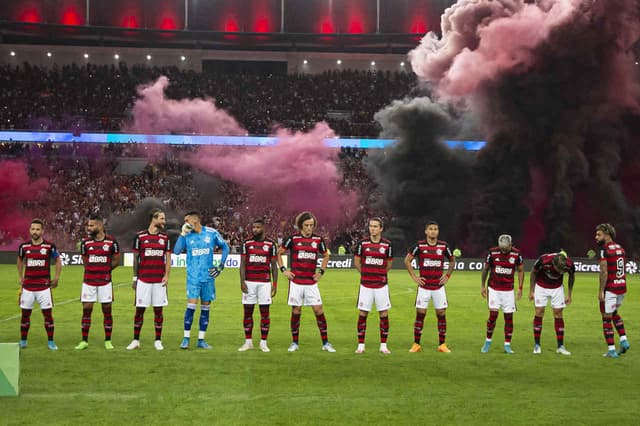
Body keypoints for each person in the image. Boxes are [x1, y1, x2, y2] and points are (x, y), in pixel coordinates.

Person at [277, 211, 336, 353]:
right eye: (306, 225)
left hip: (311, 282)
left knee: (318, 309)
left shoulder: (318, 240)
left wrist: (321, 271)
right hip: (296, 281)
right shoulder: (293, 239)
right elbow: (279, 253)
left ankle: (326, 343)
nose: (309, 228)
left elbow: (326, 255)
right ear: (300, 226)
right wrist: (284, 270)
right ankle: (294, 342)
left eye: (311, 225)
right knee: (296, 310)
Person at [173, 210, 229, 349]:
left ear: (195, 220)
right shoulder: (187, 235)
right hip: (193, 277)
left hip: (208, 277)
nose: (185, 223)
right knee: (191, 307)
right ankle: (186, 338)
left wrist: (221, 266)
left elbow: (225, 247)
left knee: (205, 308)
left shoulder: (211, 233)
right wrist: (182, 234)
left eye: (187, 220)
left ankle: (201, 340)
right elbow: (176, 251)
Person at [404, 221, 455, 353]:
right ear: (426, 231)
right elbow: (407, 260)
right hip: (424, 287)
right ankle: (416, 344)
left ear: (438, 231)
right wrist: (415, 277)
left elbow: (452, 260)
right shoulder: (419, 246)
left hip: (438, 287)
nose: (433, 231)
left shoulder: (444, 246)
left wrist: (447, 276)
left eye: (436, 229)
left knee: (441, 314)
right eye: (431, 229)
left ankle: (442, 344)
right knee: (420, 314)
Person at [126, 208, 171, 351]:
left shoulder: (165, 238)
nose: (164, 221)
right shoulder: (139, 237)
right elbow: (135, 259)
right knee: (140, 310)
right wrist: (135, 278)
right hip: (143, 280)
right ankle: (135, 340)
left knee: (159, 310)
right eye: (162, 218)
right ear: (154, 219)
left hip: (159, 280)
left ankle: (158, 340)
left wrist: (167, 275)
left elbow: (168, 259)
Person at [75, 214, 120, 350]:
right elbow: (85, 262)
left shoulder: (112, 242)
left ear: (100, 226)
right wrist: (95, 269)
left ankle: (108, 340)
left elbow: (116, 261)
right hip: (89, 282)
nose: (89, 228)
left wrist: (105, 270)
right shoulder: (85, 244)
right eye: (88, 225)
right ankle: (84, 341)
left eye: (91, 225)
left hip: (105, 282)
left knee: (107, 309)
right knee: (86, 309)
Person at [16, 219, 62, 350]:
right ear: (30, 230)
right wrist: (20, 277)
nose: (35, 231)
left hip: (44, 287)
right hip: (28, 287)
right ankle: (23, 341)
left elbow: (58, 261)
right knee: (25, 315)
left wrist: (56, 278)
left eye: (37, 229)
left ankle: (51, 342)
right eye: (33, 229)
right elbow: (19, 260)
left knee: (48, 315)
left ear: (42, 231)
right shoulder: (24, 247)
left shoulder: (49, 246)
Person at [237, 219, 278, 352]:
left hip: (264, 283)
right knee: (247, 312)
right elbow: (242, 264)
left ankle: (263, 342)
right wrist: (242, 281)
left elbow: (274, 266)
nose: (255, 229)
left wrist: (275, 284)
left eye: (258, 227)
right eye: (253, 227)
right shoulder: (247, 243)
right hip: (249, 282)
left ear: (263, 228)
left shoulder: (271, 244)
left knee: (264, 313)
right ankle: (248, 342)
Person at [354, 217, 393, 354]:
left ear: (381, 228)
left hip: (381, 285)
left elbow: (389, 264)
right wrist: (365, 274)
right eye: (371, 226)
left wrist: (380, 273)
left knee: (383, 313)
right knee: (363, 313)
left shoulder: (387, 245)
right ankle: (361, 345)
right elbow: (357, 262)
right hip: (366, 285)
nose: (373, 228)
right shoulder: (362, 244)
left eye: (376, 226)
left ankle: (383, 345)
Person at [480, 234, 524, 354]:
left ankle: (507, 345)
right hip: (494, 289)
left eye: (506, 249)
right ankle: (488, 341)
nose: (503, 251)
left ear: (511, 244)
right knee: (493, 315)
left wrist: (520, 288)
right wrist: (483, 286)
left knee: (508, 317)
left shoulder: (516, 254)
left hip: (508, 291)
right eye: (502, 249)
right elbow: (486, 270)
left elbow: (520, 270)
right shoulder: (492, 253)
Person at [528, 250, 575, 355]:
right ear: (553, 263)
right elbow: (533, 272)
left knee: (558, 314)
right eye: (558, 269)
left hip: (557, 288)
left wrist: (569, 294)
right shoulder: (543, 260)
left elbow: (572, 276)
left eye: (561, 270)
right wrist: (532, 290)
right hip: (541, 286)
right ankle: (537, 345)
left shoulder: (569, 264)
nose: (559, 272)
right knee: (539, 312)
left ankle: (560, 346)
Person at [595, 223, 630, 358]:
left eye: (599, 235)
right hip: (622, 287)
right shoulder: (620, 248)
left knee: (606, 318)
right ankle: (624, 340)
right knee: (614, 312)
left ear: (607, 234)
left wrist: (601, 291)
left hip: (611, 289)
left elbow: (604, 271)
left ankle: (611, 351)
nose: (596, 237)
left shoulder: (605, 250)